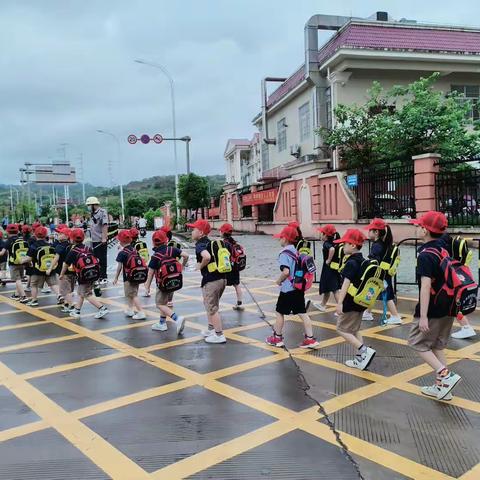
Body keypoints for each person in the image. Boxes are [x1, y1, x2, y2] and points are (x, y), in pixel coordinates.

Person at [408, 211, 462, 400]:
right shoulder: (444, 248)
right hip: (450, 306)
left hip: (433, 308)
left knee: (417, 342)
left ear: (425, 230)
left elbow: (425, 286)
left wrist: (423, 316)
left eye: (418, 225)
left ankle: (447, 376)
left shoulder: (425, 254)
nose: (416, 228)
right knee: (437, 346)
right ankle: (442, 388)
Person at [265, 226, 319, 349]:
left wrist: (278, 281)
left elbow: (286, 272)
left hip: (287, 290)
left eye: (280, 238)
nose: (279, 240)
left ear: (285, 239)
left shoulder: (284, 253)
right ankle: (310, 339)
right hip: (298, 288)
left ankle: (277, 338)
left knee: (279, 313)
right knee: (302, 313)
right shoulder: (296, 251)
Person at [335, 229, 376, 370]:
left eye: (345, 243)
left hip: (350, 302)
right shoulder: (363, 260)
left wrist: (339, 303)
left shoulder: (351, 263)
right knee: (355, 329)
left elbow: (345, 285)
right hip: (360, 302)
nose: (342, 246)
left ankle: (364, 351)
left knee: (341, 329)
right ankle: (360, 359)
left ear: (352, 245)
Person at [187, 219, 227, 344]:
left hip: (211, 281)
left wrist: (200, 266)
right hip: (222, 278)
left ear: (201, 232)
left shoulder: (200, 245)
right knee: (210, 305)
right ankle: (211, 329)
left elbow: (207, 257)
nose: (191, 231)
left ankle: (219, 335)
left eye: (193, 229)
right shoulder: (209, 243)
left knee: (212, 308)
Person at [145, 229, 188, 333]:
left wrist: (147, 286)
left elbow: (150, 273)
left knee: (160, 304)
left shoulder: (155, 256)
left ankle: (177, 319)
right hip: (174, 281)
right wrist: (182, 266)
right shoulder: (172, 250)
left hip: (162, 284)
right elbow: (186, 255)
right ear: (166, 240)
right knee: (165, 303)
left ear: (153, 242)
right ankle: (162, 323)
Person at [62, 228, 109, 319]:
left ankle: (102, 308)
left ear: (71, 239)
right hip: (92, 274)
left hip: (83, 276)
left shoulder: (73, 251)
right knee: (81, 293)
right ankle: (77, 311)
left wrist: (61, 274)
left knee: (87, 294)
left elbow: (66, 264)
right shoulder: (88, 248)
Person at [363, 218, 402, 325]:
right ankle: (367, 312)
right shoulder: (384, 243)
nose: (368, 232)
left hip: (380, 275)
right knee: (374, 292)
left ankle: (395, 316)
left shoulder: (376, 246)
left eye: (370, 230)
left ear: (376, 232)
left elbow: (374, 262)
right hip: (384, 273)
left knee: (387, 295)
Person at [21, 226, 60, 307]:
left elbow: (29, 258)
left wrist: (22, 260)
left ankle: (34, 300)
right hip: (50, 269)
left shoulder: (34, 246)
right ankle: (59, 295)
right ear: (46, 235)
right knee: (53, 284)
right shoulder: (50, 245)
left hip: (37, 270)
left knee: (34, 285)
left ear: (35, 235)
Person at [113, 229, 146, 320]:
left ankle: (140, 312)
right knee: (132, 293)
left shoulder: (122, 253)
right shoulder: (134, 250)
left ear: (121, 241)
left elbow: (119, 267)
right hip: (137, 275)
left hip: (128, 277)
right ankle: (130, 309)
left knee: (132, 295)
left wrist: (116, 278)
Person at [313, 224, 341, 312]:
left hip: (328, 268)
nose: (320, 235)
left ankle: (341, 309)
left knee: (334, 289)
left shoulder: (327, 244)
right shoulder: (334, 242)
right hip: (334, 267)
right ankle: (323, 304)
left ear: (325, 235)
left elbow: (331, 249)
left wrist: (328, 260)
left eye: (322, 233)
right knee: (328, 288)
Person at [48, 226, 75, 313]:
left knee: (65, 290)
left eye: (60, 233)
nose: (58, 235)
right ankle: (67, 304)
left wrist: (49, 269)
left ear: (67, 236)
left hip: (62, 272)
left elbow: (55, 259)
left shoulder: (60, 246)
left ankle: (72, 306)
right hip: (73, 271)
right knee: (70, 289)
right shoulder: (71, 246)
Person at [219, 223, 244, 311]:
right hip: (236, 267)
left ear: (222, 232)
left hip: (228, 267)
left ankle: (215, 303)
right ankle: (239, 303)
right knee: (236, 285)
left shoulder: (224, 243)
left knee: (221, 285)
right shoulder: (234, 242)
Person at [86, 196, 109, 284]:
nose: (88, 207)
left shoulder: (102, 212)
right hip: (94, 240)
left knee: (102, 259)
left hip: (100, 240)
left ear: (93, 205)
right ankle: (98, 276)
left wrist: (104, 238)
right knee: (96, 259)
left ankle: (104, 277)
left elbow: (105, 225)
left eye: (89, 205)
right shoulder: (92, 213)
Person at [4, 224, 28, 302]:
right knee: (19, 279)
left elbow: (3, 252)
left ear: (7, 231)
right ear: (17, 231)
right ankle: (16, 295)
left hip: (13, 263)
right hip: (22, 261)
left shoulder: (8, 241)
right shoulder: (21, 239)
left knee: (17, 280)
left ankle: (23, 296)